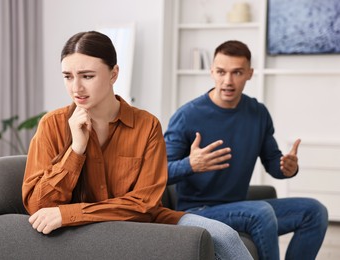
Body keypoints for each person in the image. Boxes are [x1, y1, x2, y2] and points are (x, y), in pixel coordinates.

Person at [22, 31, 254, 260]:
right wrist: (76, 150)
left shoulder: (146, 125)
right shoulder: (53, 125)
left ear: (114, 74)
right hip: (84, 233)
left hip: (148, 223)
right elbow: (38, 206)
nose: (76, 88)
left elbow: (144, 204)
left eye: (87, 76)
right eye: (68, 76)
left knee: (225, 236)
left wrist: (70, 213)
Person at [164, 40, 329, 260]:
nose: (228, 81)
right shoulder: (186, 116)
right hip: (198, 212)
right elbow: (158, 173)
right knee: (260, 212)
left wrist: (287, 168)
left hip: (238, 207)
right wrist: (190, 164)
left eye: (237, 72)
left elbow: (274, 164)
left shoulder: (258, 113)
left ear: (250, 74)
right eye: (221, 72)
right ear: (212, 71)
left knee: (315, 211)